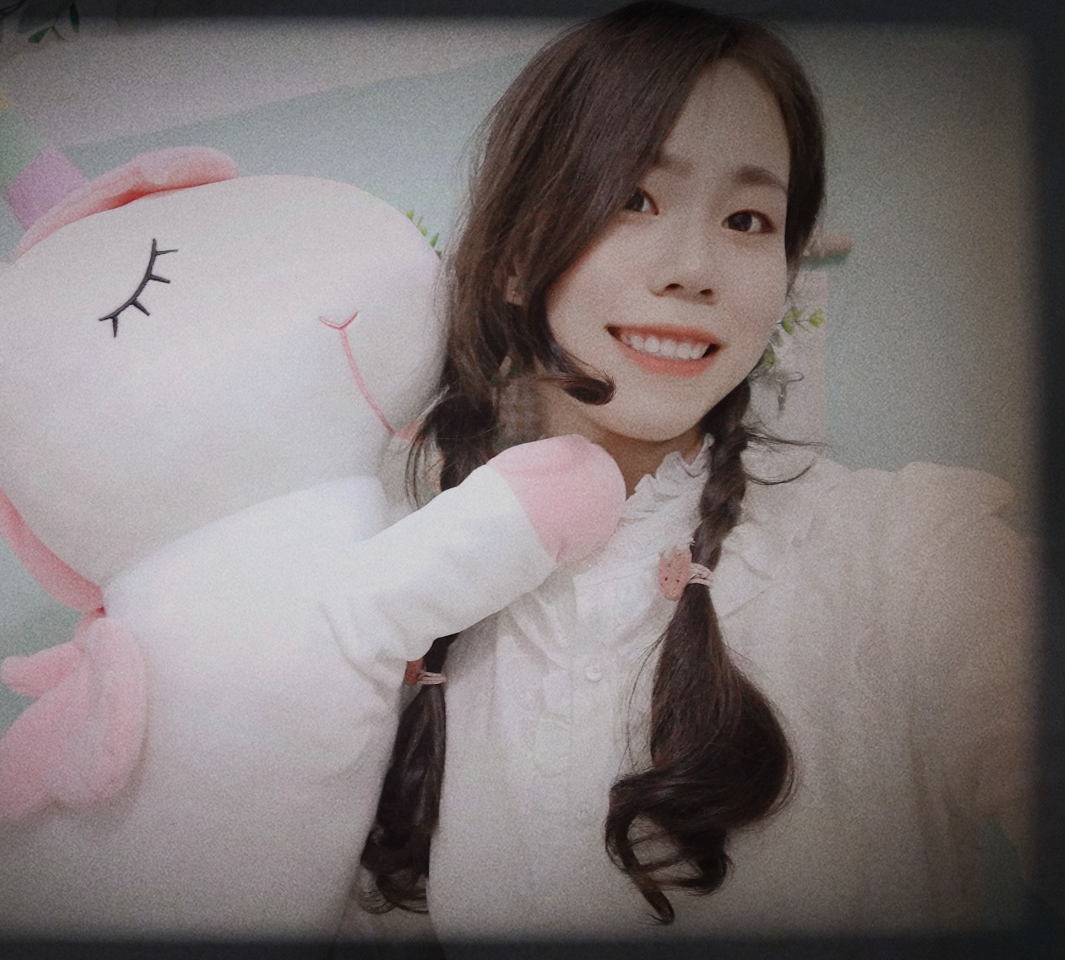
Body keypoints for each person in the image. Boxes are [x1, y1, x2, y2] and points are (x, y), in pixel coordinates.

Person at [355, 0, 1036, 940]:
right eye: (633, 199)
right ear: (513, 256)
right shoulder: (404, 574)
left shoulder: (908, 556)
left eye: (749, 219)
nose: (695, 268)